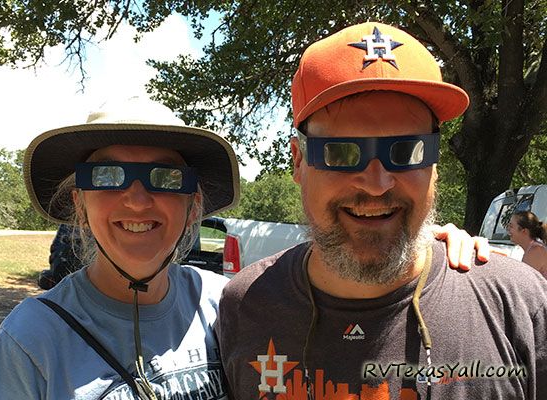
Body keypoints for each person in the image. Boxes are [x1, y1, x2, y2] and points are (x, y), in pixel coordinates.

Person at [216, 22, 547, 399]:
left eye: (407, 151)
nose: (376, 184)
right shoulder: (245, 307)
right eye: (342, 152)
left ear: (434, 165)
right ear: (297, 161)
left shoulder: (520, 305)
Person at [0, 97, 240, 399]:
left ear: (193, 206)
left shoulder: (226, 306)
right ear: (81, 205)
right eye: (107, 175)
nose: (137, 201)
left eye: (166, 178)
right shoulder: (32, 337)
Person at [508, 210, 547, 278]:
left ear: (524, 231)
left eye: (511, 226)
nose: (508, 229)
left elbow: (523, 283)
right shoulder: (533, 249)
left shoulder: (535, 251)